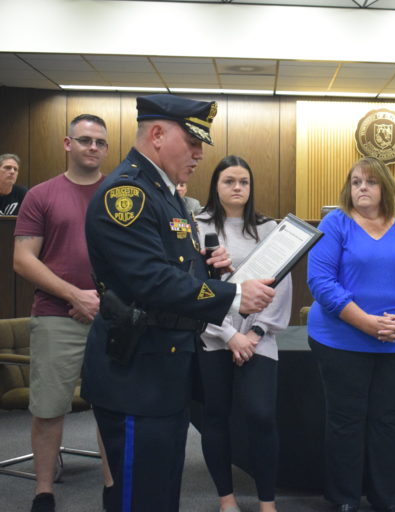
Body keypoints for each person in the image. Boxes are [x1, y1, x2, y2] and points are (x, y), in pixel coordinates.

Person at [81, 94, 276, 512]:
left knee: (162, 490)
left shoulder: (165, 194)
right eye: (192, 143)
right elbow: (151, 282)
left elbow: (174, 268)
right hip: (136, 374)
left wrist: (209, 268)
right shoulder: (127, 196)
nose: (200, 155)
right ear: (156, 135)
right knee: (137, 494)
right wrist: (236, 294)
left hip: (165, 371)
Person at [307, 156, 395, 512]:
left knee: (389, 422)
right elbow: (320, 282)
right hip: (341, 340)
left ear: (385, 187)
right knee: (346, 422)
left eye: (370, 182)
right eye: (355, 182)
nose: (362, 188)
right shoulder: (335, 223)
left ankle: (386, 500)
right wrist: (365, 321)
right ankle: (344, 499)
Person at [13, 115, 114, 512]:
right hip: (57, 316)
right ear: (67, 143)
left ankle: (112, 486)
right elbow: (23, 259)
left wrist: (101, 301)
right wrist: (76, 295)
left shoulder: (120, 194)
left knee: (111, 406)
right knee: (49, 407)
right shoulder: (41, 195)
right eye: (85, 140)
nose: (93, 147)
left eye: (100, 142)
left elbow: (135, 259)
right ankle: (44, 492)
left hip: (112, 318)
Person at [196, 155, 292, 512]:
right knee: (216, 417)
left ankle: (268, 503)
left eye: (244, 182)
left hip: (259, 339)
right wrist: (227, 335)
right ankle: (227, 499)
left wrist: (254, 333)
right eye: (229, 181)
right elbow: (195, 289)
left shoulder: (269, 229)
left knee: (261, 416)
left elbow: (280, 287)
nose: (237, 188)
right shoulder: (198, 225)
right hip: (213, 338)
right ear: (215, 186)